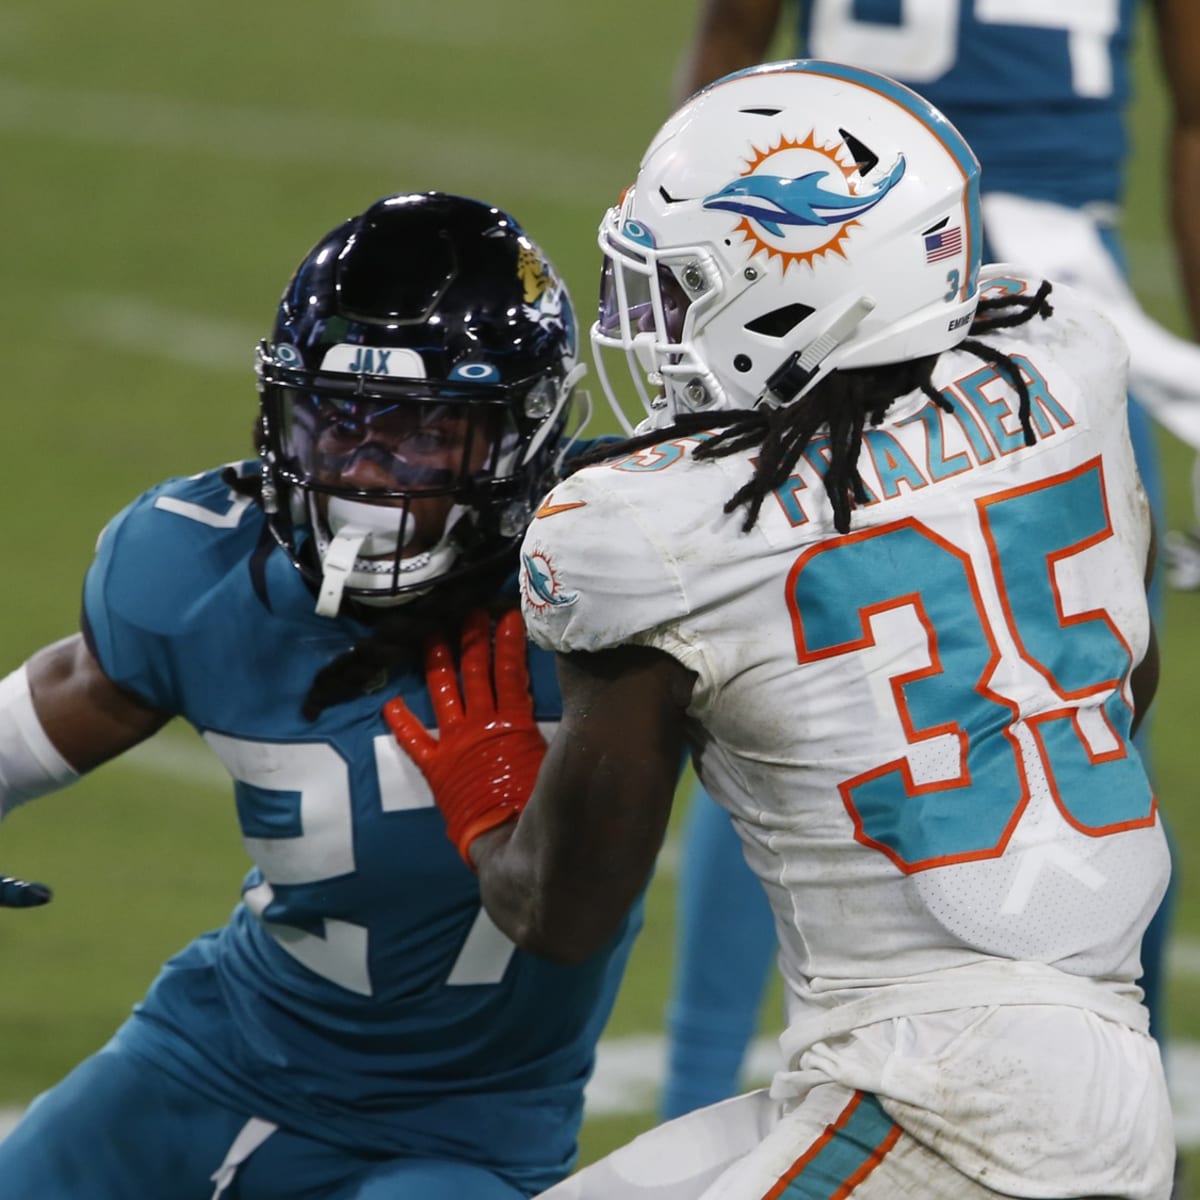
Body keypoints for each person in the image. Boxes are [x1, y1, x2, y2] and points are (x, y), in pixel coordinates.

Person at [386, 63, 1175, 1197]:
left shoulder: (654, 528)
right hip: (1040, 1059)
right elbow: (1114, 683)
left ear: (806, 285)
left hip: (957, 1103)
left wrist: (485, 794)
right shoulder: (1065, 366)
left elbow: (564, 910)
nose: (641, 327)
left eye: (677, 289)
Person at [0, 190, 644, 1199]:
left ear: (524, 437)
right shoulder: (203, 565)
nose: (364, 474)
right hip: (205, 1059)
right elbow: (60, 698)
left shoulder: (627, 566)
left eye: (422, 433)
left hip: (459, 1136)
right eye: (336, 423)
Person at [659, 0, 1200, 1119]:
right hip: (1057, 308)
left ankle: (694, 1093)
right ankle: (1117, 1087)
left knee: (765, 685)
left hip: (826, 285)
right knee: (1088, 729)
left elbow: (727, 45)